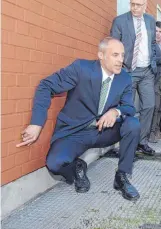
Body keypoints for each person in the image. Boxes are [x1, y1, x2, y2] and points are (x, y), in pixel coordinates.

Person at [17, 38, 140, 201]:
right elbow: (46, 85)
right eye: (115, 55)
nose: (120, 60)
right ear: (101, 55)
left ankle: (122, 177)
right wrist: (36, 123)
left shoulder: (124, 78)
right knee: (55, 163)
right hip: (76, 131)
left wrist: (116, 111)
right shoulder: (81, 68)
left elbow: (129, 108)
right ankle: (77, 167)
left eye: (122, 55)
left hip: (105, 131)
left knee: (133, 124)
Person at [110, 0, 157, 156]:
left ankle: (141, 142)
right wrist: (121, 68)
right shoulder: (120, 21)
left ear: (145, 5)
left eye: (138, 5)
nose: (134, 8)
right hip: (129, 71)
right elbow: (113, 46)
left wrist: (154, 63)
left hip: (147, 71)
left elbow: (152, 44)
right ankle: (125, 142)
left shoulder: (151, 21)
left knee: (150, 105)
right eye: (132, 4)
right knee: (127, 108)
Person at [149, 21, 161, 143]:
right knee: (155, 106)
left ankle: (158, 129)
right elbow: (152, 59)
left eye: (160, 31)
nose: (158, 34)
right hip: (155, 79)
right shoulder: (151, 45)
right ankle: (151, 132)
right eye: (156, 31)